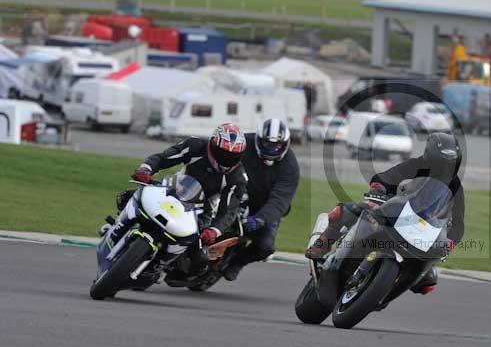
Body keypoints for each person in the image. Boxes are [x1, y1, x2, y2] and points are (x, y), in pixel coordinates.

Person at [306, 132, 465, 294]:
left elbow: (458, 222)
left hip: (422, 230)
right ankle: (322, 244)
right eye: (441, 162)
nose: (445, 167)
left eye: (450, 163)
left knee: (428, 280)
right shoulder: (415, 166)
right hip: (394, 212)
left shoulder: (455, 185)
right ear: (430, 157)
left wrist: (450, 241)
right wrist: (378, 190)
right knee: (346, 211)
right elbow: (387, 177)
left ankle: (388, 289)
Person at [112, 123, 248, 277]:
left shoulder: (238, 178)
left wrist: (214, 230)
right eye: (223, 154)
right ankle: (116, 227)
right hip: (174, 188)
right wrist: (146, 169)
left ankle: (162, 266)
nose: (226, 159)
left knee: (200, 256)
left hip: (203, 209)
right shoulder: (195, 145)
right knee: (129, 196)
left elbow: (228, 210)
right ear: (212, 145)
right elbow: (163, 158)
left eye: (232, 156)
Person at [223, 118, 300, 281]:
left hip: (264, 206)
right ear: (258, 139)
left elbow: (280, 201)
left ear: (285, 144)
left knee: (266, 246)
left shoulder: (290, 167)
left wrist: (260, 219)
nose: (272, 148)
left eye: (277, 145)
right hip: (235, 191)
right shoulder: (243, 143)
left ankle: (237, 262)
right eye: (267, 143)